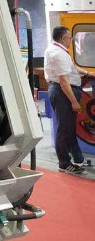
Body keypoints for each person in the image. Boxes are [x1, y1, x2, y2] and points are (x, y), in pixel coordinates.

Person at [45, 25, 87, 174]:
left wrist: (87, 72)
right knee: (64, 129)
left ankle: (78, 158)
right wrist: (74, 102)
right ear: (63, 38)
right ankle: (64, 163)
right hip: (63, 93)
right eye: (70, 38)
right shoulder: (58, 54)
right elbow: (63, 81)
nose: (71, 40)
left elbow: (72, 67)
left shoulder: (58, 50)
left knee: (69, 127)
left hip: (62, 92)